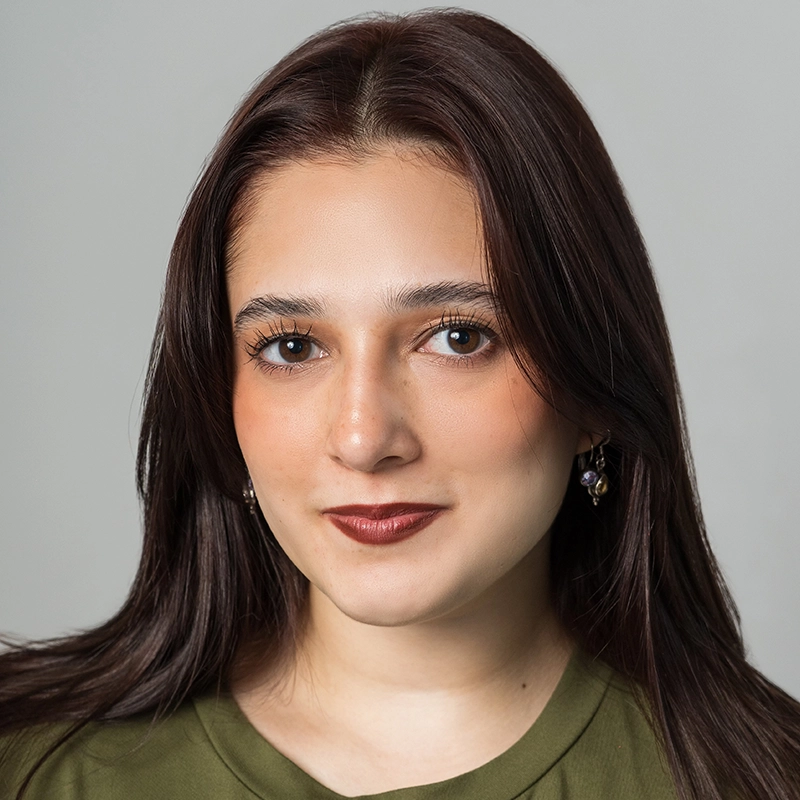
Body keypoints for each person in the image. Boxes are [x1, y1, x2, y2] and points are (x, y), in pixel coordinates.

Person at [1, 8, 798, 800]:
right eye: (292, 346)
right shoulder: (34, 771)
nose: (361, 436)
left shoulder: (759, 780)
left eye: (457, 338)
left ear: (593, 384)